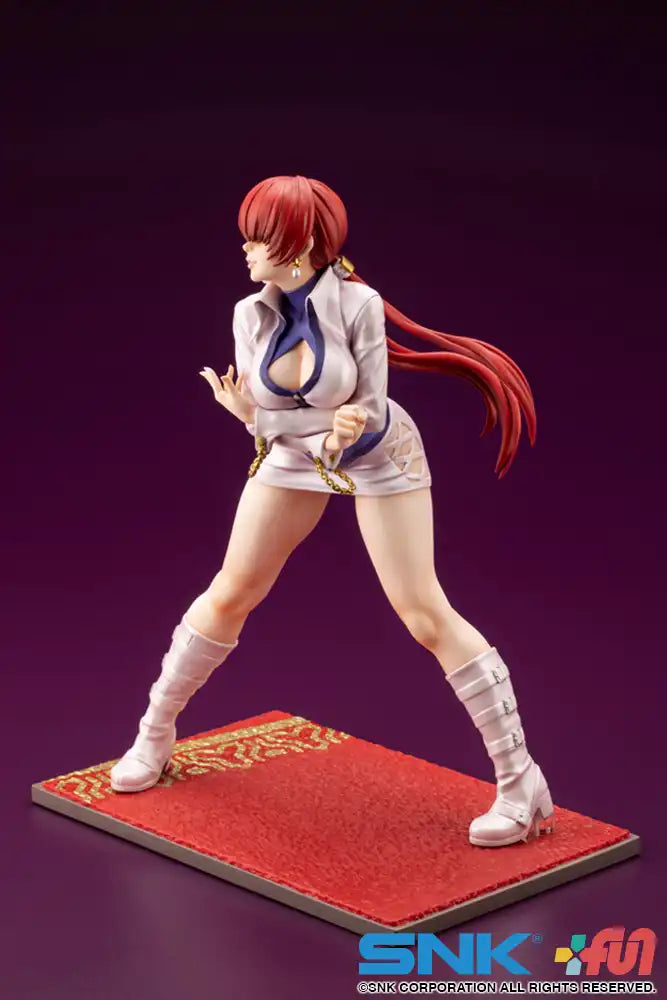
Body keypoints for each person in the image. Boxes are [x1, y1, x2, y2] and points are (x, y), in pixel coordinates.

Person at [110, 174, 554, 848]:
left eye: (258, 237)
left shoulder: (357, 304)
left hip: (378, 454)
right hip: (294, 455)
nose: (245, 249)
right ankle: (154, 734)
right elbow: (264, 419)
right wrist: (266, 421)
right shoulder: (248, 313)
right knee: (231, 592)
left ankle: (522, 782)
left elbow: (368, 411)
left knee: (423, 612)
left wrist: (298, 427)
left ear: (300, 244)